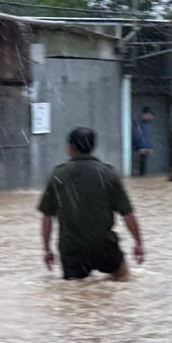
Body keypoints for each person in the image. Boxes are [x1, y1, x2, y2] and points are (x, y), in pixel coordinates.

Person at [38, 126, 145, 281]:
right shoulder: (108, 174)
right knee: (123, 279)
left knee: (74, 293)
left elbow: (47, 217)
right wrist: (138, 243)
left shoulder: (58, 175)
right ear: (92, 147)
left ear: (70, 147)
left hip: (72, 250)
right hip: (104, 246)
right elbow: (127, 214)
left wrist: (47, 250)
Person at [132, 106, 155, 176]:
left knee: (143, 165)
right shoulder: (139, 124)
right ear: (145, 114)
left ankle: (142, 176)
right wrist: (140, 147)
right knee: (140, 165)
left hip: (144, 148)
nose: (151, 117)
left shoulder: (147, 125)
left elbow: (147, 137)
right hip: (140, 149)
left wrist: (149, 147)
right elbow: (138, 136)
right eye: (150, 115)